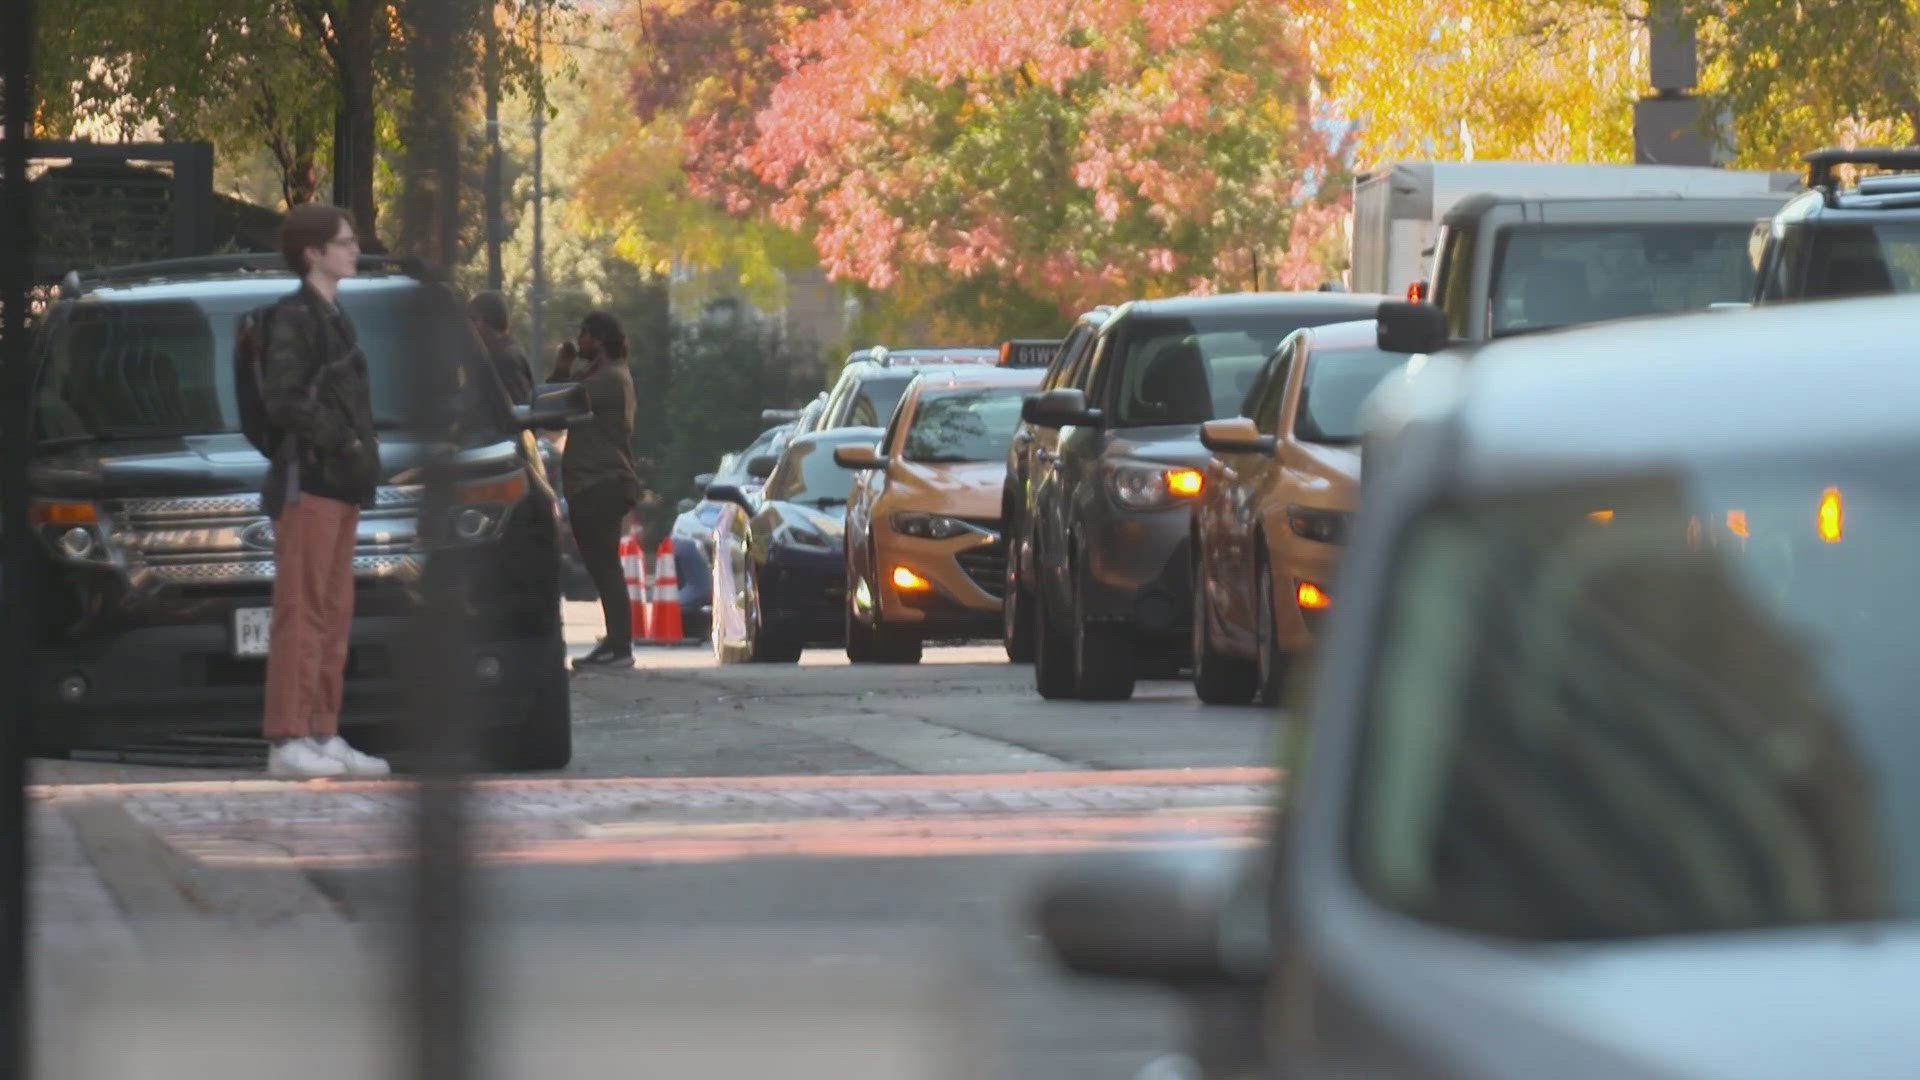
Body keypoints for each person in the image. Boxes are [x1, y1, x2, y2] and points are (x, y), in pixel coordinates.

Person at [257, 203, 392, 779]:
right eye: (344, 241)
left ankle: (322, 729)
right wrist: (346, 444)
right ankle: (288, 737)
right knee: (303, 612)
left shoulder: (336, 316)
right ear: (313, 253)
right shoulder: (294, 317)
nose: (354, 249)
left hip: (341, 487)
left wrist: (358, 457)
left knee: (334, 613)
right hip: (308, 483)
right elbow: (285, 400)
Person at [565, 311, 644, 666]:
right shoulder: (605, 375)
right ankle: (614, 640)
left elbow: (563, 401)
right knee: (601, 565)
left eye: (583, 335)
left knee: (606, 565)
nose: (579, 341)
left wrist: (565, 369)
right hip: (592, 481)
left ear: (598, 340)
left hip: (601, 481)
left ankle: (620, 645)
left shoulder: (610, 379)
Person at [467, 290, 534, 405]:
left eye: (473, 319)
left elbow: (517, 407)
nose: (469, 327)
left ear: (486, 320)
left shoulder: (501, 359)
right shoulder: (510, 350)